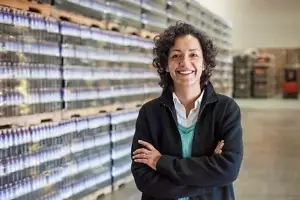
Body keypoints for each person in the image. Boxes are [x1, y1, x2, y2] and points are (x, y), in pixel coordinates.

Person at [131, 21, 243, 200]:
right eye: (176, 56)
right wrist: (207, 178)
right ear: (166, 65)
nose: (185, 62)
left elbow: (228, 169)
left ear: (205, 63)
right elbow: (143, 177)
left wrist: (160, 162)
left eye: (193, 55)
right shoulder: (150, 113)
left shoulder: (225, 110)